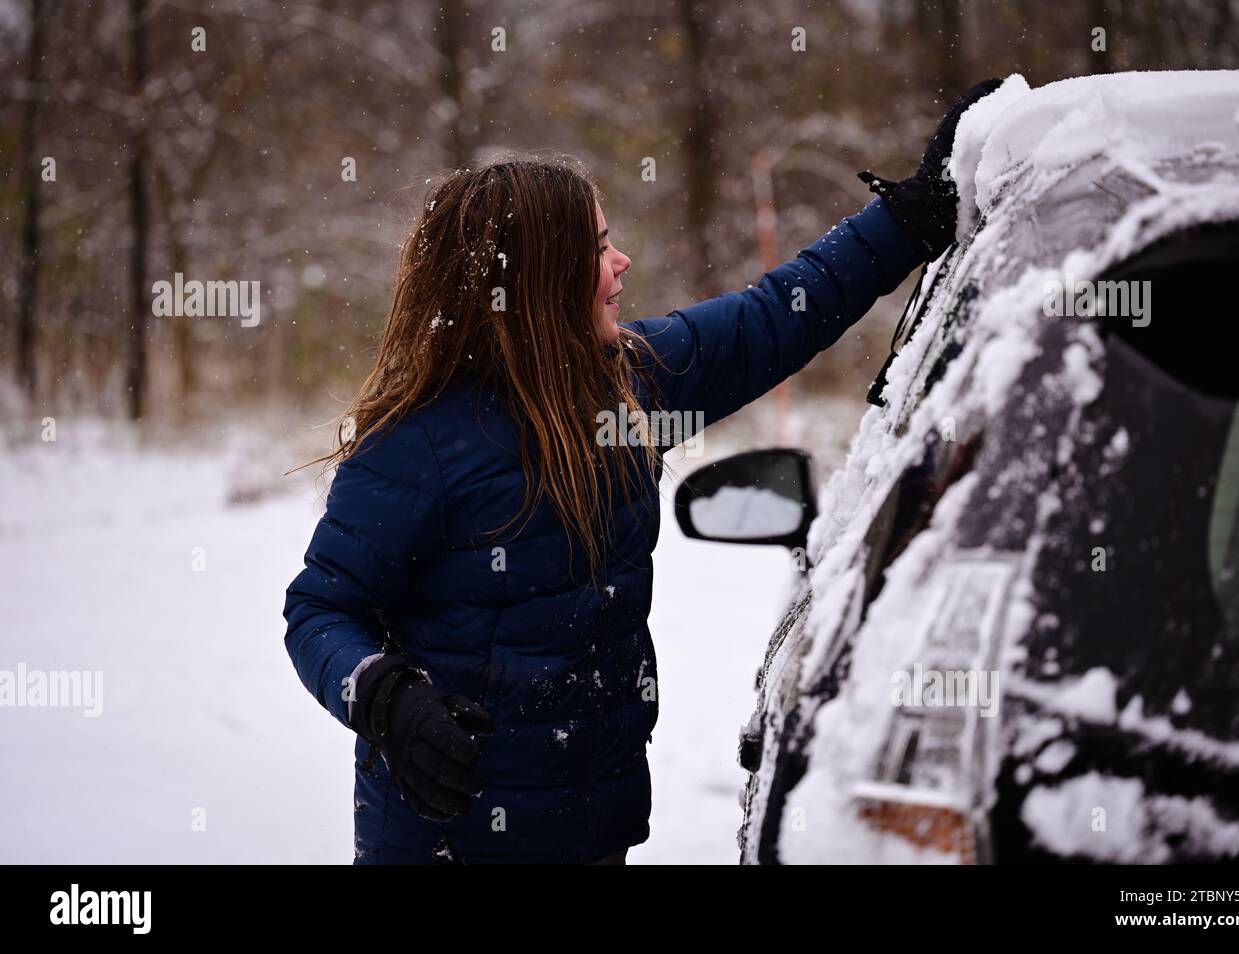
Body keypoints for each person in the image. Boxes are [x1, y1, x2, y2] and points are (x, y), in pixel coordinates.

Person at [283, 80, 1001, 865]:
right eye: (596, 248)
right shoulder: (415, 442)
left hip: (593, 828)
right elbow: (321, 610)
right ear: (537, 281)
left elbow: (775, 316)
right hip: (449, 842)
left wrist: (906, 218)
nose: (621, 263)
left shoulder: (634, 384)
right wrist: (384, 696)